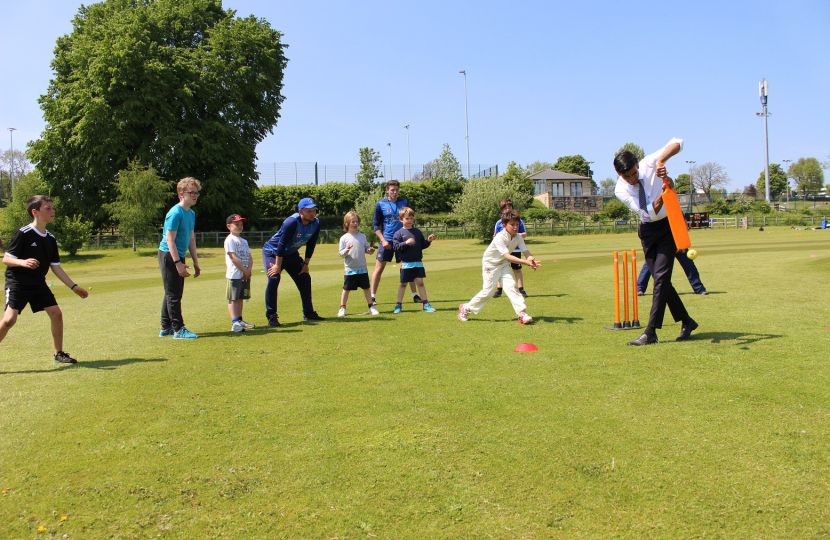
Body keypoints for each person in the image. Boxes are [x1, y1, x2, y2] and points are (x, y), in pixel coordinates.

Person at [614, 138, 698, 345]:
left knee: (660, 278)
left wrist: (661, 163)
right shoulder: (620, 190)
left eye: (634, 173)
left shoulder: (649, 163)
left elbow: (678, 142)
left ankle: (650, 332)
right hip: (648, 230)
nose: (632, 178)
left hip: (669, 227)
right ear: (619, 174)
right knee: (662, 280)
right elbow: (648, 213)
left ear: (637, 165)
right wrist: (663, 191)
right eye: (627, 176)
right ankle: (687, 321)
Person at [0, 195, 89, 363]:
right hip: (18, 282)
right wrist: (23, 262)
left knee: (56, 314)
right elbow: (6, 258)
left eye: (53, 208)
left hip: (38, 283)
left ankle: (59, 354)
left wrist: (73, 286)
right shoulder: (23, 233)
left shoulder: (50, 238)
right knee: (9, 320)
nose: (52, 211)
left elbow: (55, 266)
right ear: (35, 212)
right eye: (47, 208)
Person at [458, 210, 540, 324]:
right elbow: (507, 256)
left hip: (503, 264)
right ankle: (466, 308)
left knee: (511, 287)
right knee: (488, 291)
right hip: (490, 264)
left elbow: (526, 251)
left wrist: (531, 259)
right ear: (504, 225)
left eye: (517, 224)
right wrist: (526, 262)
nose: (516, 227)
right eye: (512, 224)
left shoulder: (518, 237)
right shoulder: (499, 237)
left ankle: (521, 314)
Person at [263, 197, 325, 325]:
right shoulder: (291, 222)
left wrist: (306, 264)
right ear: (300, 211)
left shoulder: (316, 223)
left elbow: (311, 244)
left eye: (314, 210)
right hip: (273, 252)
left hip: (291, 254)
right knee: (274, 278)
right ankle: (272, 316)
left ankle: (308, 313)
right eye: (308, 211)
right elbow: (281, 244)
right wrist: (277, 266)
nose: (312, 213)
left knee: (305, 277)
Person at [158, 177, 201, 340]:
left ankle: (165, 326)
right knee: (174, 294)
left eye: (196, 193)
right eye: (191, 192)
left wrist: (196, 262)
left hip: (178, 255)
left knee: (172, 292)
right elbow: (170, 240)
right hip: (168, 255)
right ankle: (178, 329)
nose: (195, 196)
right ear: (182, 194)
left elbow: (191, 239)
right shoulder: (175, 213)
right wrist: (178, 263)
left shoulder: (191, 213)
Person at [370, 180, 419, 306]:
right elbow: (376, 225)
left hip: (403, 240)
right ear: (387, 190)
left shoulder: (404, 202)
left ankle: (415, 295)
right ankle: (372, 297)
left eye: (396, 189)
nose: (395, 192)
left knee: (408, 267)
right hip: (387, 240)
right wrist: (383, 240)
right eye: (392, 190)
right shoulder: (380, 204)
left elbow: (409, 219)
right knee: (379, 268)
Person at [391, 207, 437, 313]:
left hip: (418, 262)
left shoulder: (417, 232)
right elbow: (396, 247)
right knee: (403, 284)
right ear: (401, 219)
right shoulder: (398, 233)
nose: (410, 220)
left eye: (411, 218)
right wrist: (406, 243)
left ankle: (425, 304)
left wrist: (428, 241)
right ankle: (398, 305)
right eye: (407, 218)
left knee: (420, 282)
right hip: (406, 263)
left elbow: (421, 245)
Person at [338, 211, 380, 317]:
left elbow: (366, 249)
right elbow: (341, 254)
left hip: (362, 268)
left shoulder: (362, 236)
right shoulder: (344, 238)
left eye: (357, 222)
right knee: (346, 289)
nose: (355, 224)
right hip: (350, 269)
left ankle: (371, 306)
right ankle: (342, 308)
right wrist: (347, 250)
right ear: (347, 223)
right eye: (353, 222)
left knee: (366, 288)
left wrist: (370, 250)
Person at [224, 214, 255, 332]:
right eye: (236, 224)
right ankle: (235, 322)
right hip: (235, 274)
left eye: (241, 224)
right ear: (229, 226)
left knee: (241, 297)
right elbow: (233, 257)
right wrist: (244, 269)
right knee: (233, 298)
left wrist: (248, 270)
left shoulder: (244, 241)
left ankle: (240, 319)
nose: (239, 226)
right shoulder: (230, 240)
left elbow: (249, 256)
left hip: (245, 274)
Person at [492, 198, 529, 299]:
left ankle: (521, 289)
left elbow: (524, 233)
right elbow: (495, 236)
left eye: (509, 208)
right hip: (503, 250)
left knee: (517, 269)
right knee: (501, 269)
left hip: (515, 249)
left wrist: (516, 234)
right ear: (502, 210)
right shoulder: (499, 223)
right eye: (505, 209)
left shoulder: (518, 221)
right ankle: (499, 290)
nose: (507, 210)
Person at [637, 249, 708, 295]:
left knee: (689, 265)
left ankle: (699, 288)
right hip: (662, 243)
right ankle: (640, 289)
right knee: (650, 263)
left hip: (678, 243)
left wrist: (682, 243)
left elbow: (683, 228)